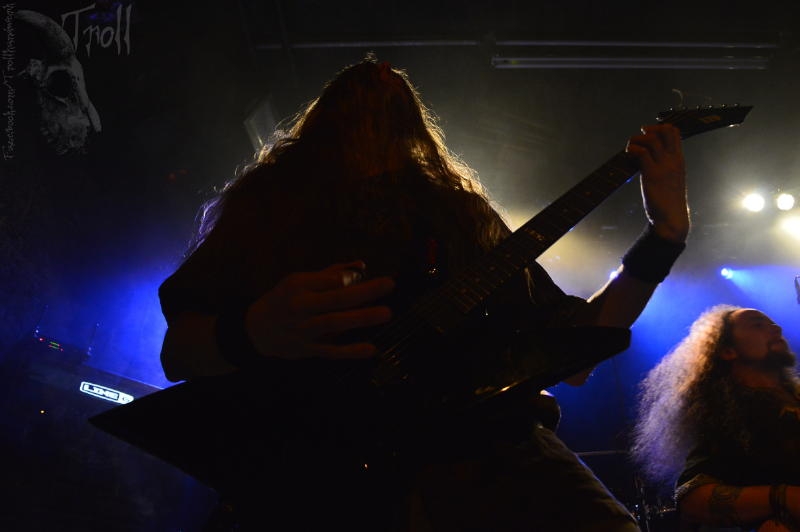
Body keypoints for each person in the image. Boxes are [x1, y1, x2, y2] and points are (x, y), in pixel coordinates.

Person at [158, 55, 689, 531]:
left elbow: (576, 349)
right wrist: (254, 330)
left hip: (492, 449)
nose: (380, 71)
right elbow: (179, 352)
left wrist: (664, 237)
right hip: (330, 475)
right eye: (359, 85)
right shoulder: (269, 204)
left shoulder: (460, 214)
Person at [631, 305, 800, 532]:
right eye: (757, 325)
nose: (776, 328)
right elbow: (693, 498)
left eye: (772, 323)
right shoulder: (725, 415)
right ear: (728, 351)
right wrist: (784, 497)